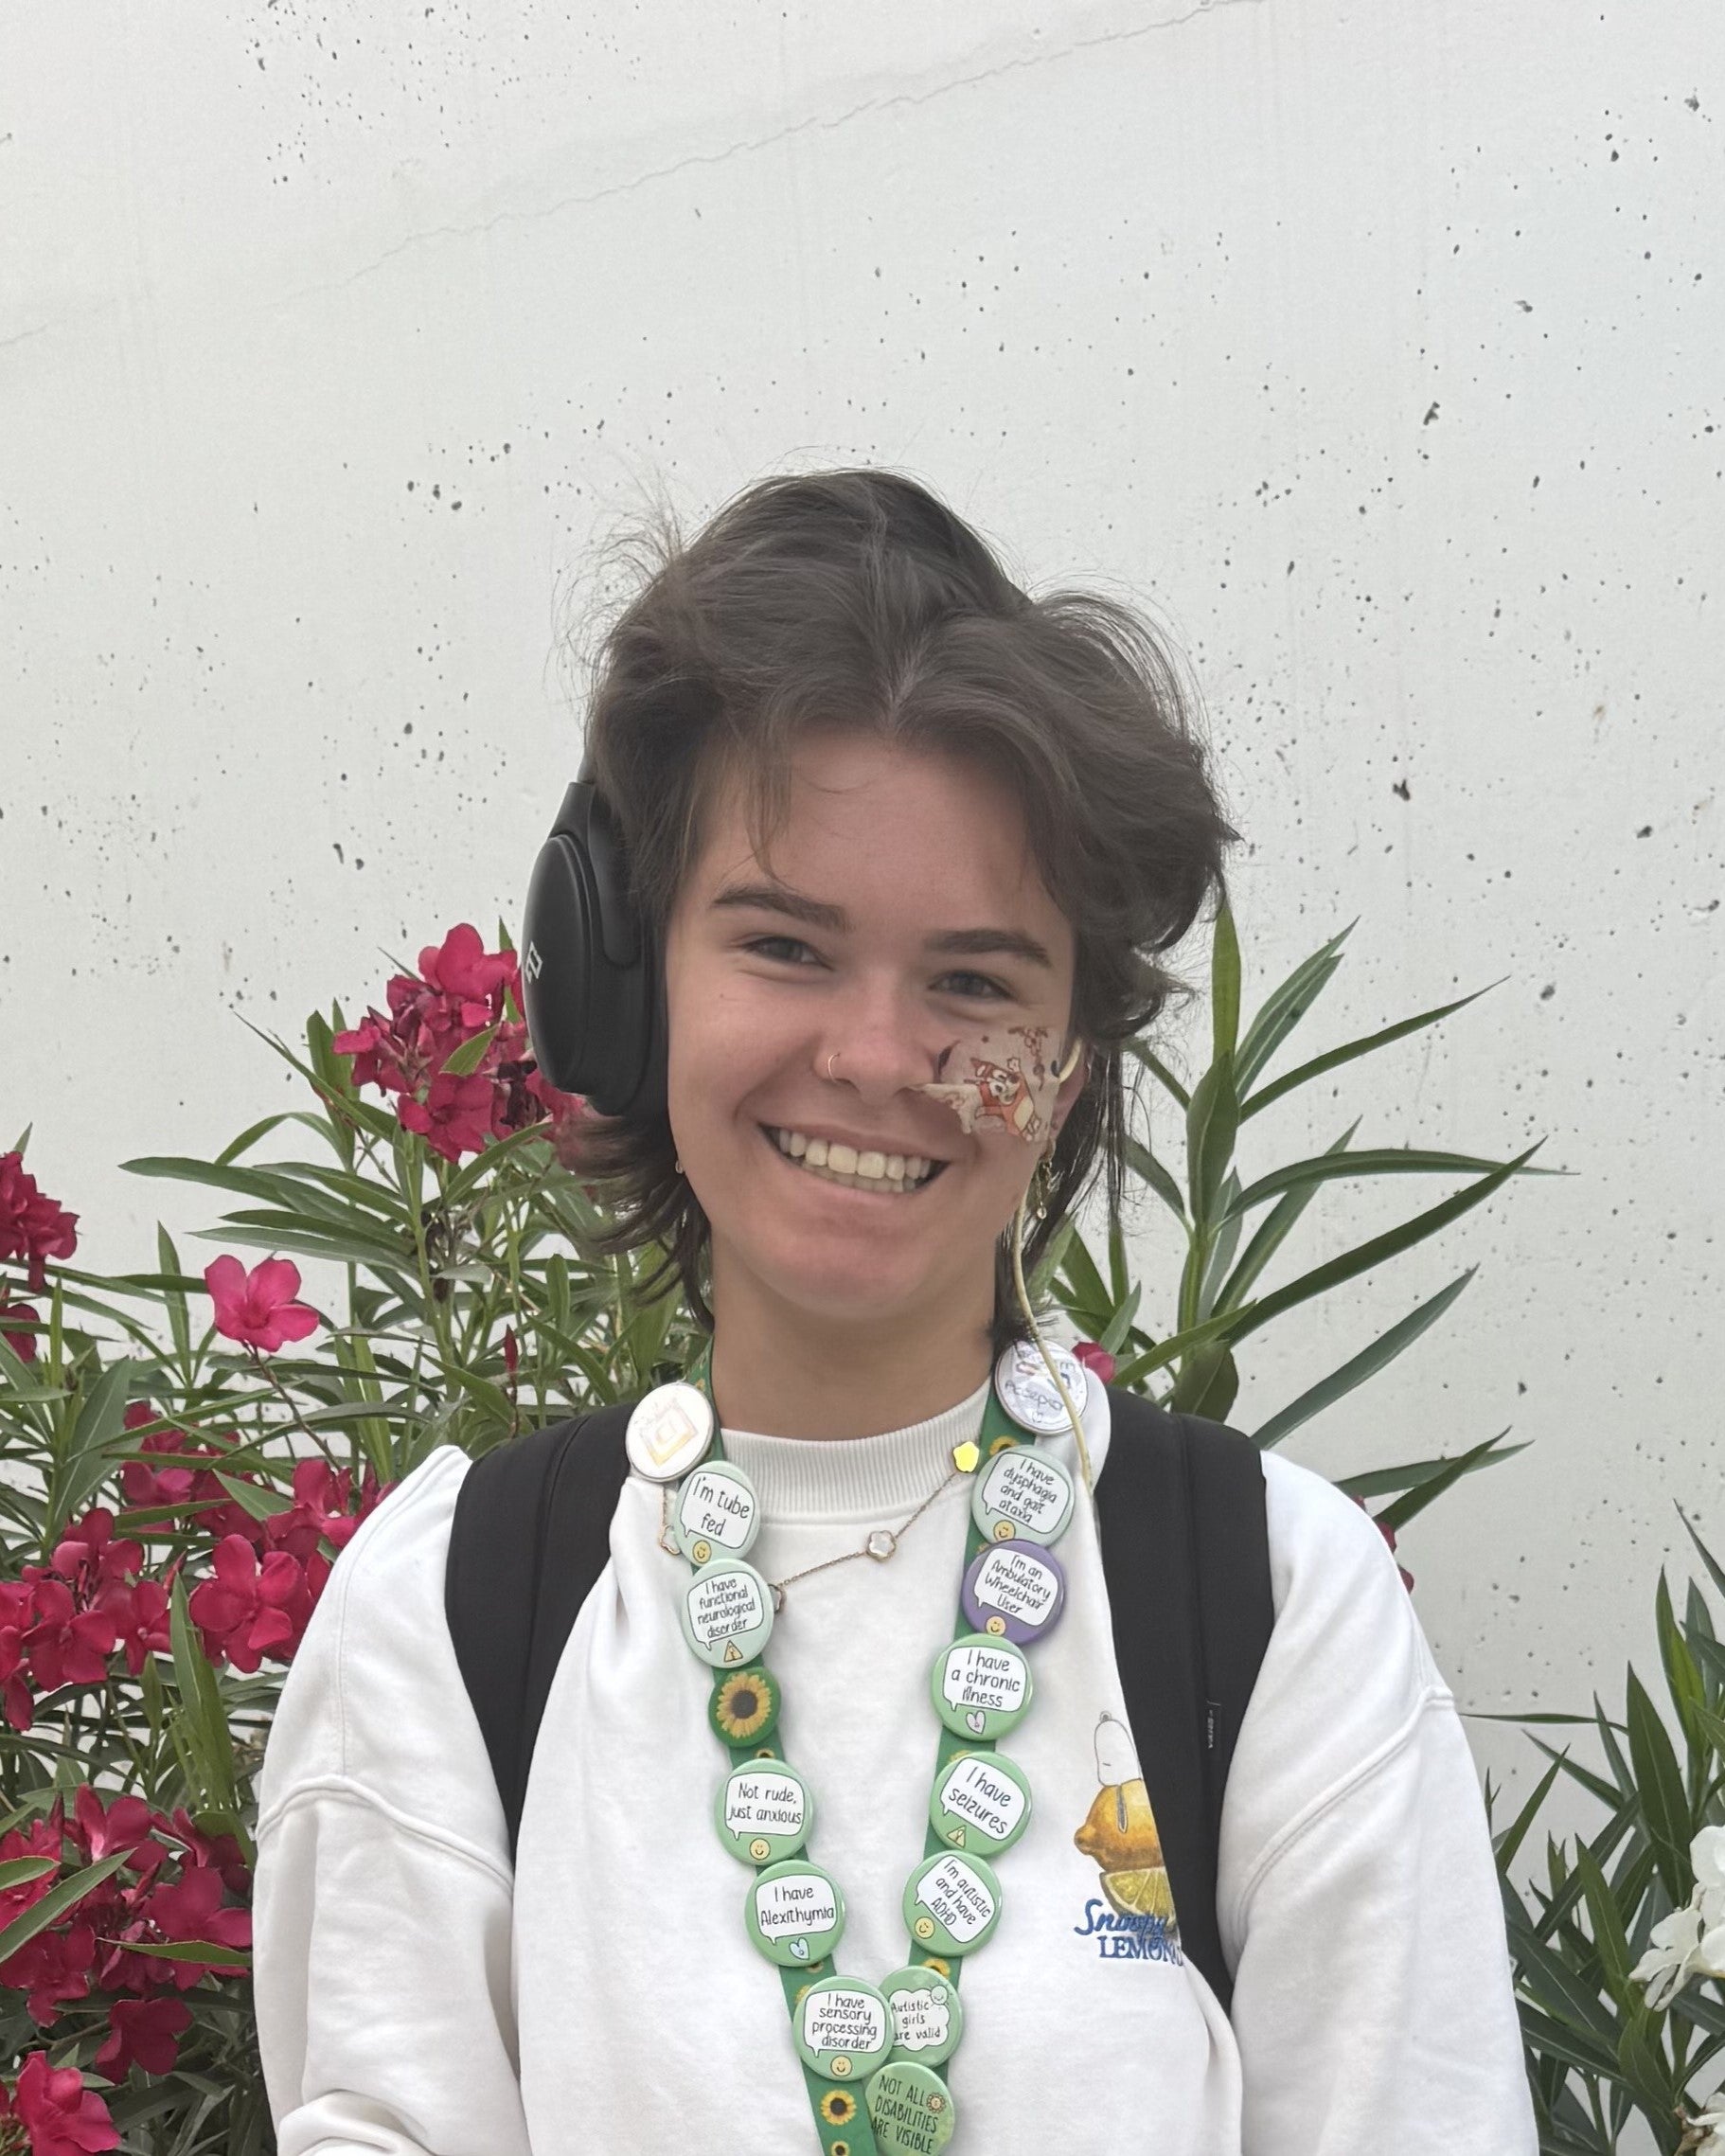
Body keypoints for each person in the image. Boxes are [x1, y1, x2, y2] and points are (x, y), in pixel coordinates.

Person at [251, 469, 1535, 2153]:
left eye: (975, 981)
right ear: (628, 982)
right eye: (785, 945)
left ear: (1067, 1070)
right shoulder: (448, 1615)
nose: (875, 1057)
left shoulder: (1271, 1601)